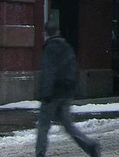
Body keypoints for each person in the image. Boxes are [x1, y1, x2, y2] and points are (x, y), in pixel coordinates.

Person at [36, 20, 100, 157]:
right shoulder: (66, 47)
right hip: (65, 93)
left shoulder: (49, 48)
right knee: (68, 125)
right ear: (58, 32)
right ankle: (90, 146)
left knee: (43, 126)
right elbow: (73, 68)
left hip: (52, 94)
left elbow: (49, 71)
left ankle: (40, 154)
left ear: (45, 33)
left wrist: (45, 94)